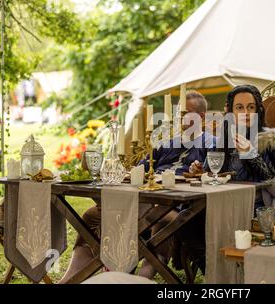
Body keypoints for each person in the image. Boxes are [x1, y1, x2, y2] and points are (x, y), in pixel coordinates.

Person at [58, 91, 213, 284]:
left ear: (201, 117)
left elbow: (214, 174)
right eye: (178, 113)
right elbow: (139, 168)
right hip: (141, 199)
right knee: (91, 215)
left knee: (162, 220)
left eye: (186, 113)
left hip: (175, 205)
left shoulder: (211, 144)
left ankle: (141, 278)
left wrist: (200, 170)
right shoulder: (166, 143)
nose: (179, 119)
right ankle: (69, 279)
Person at [182, 85, 275, 279]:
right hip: (223, 206)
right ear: (230, 111)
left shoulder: (272, 142)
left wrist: (252, 155)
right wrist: (199, 170)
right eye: (239, 108)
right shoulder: (222, 141)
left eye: (251, 107)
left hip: (256, 210)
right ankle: (217, 274)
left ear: (258, 110)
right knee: (186, 220)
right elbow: (211, 174)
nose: (246, 113)